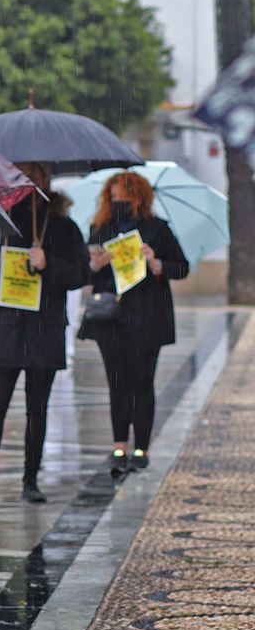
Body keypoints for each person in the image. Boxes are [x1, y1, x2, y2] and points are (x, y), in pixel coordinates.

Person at [0, 163, 88, 506]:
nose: (31, 182)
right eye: (23, 175)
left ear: (47, 180)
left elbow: (80, 273)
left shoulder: (64, 227)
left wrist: (49, 265)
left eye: (37, 175)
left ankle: (31, 480)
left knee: (37, 409)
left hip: (44, 330)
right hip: (6, 330)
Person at [80, 171, 189, 474]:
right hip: (110, 318)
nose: (119, 203)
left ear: (139, 198)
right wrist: (96, 264)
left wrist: (158, 263)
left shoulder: (157, 230)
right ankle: (119, 446)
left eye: (124, 198)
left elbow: (181, 267)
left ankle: (141, 447)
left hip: (147, 317)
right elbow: (84, 271)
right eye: (114, 198)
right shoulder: (100, 228)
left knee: (142, 381)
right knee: (117, 382)